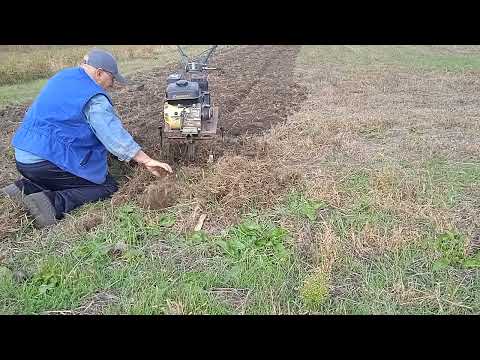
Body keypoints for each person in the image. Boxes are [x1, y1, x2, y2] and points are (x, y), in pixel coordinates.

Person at [0, 48, 172, 228]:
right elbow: (112, 135)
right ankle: (51, 204)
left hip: (24, 153)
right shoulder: (94, 99)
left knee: (66, 176)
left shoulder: (64, 77)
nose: (112, 84)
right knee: (105, 186)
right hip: (44, 161)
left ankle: (23, 189)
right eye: (112, 78)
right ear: (99, 73)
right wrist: (145, 160)